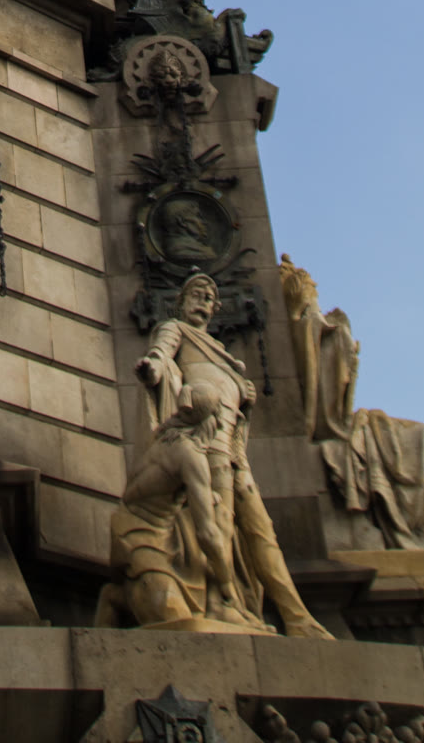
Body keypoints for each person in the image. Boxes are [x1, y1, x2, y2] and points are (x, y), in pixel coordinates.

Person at [99, 272, 331, 637]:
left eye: (208, 297)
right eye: (196, 294)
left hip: (234, 454)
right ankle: (224, 603)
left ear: (216, 307)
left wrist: (245, 397)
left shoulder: (223, 354)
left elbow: (232, 405)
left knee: (261, 532)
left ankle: (297, 617)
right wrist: (152, 369)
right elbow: (160, 354)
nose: (202, 301)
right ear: (181, 301)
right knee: (219, 527)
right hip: (206, 450)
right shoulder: (175, 328)